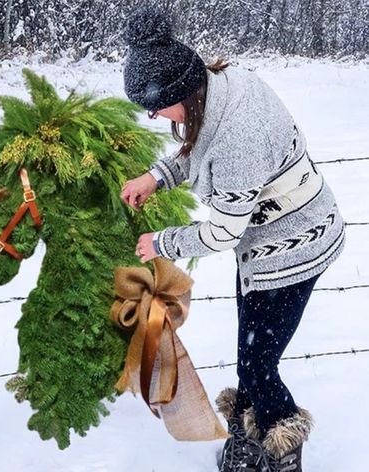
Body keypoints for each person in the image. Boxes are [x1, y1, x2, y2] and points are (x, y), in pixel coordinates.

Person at [119, 6, 346, 472]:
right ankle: (248, 434)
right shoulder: (217, 90)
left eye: (156, 104)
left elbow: (223, 231)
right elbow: (198, 152)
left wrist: (161, 244)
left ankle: (283, 449)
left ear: (181, 89)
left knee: (259, 363)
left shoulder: (237, 136)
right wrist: (155, 177)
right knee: (252, 353)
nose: (155, 114)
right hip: (264, 247)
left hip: (296, 246)